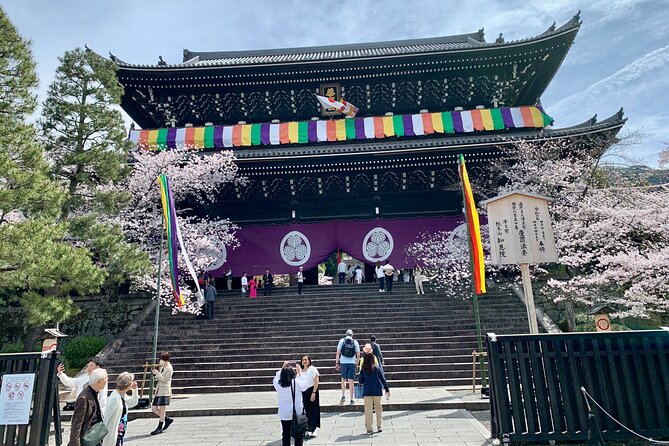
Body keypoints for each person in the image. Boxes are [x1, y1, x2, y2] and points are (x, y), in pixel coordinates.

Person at [68, 368, 107, 446]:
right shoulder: (84, 398)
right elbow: (76, 423)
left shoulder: (94, 393)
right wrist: (75, 443)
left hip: (94, 435)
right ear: (99, 382)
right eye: (105, 379)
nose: (106, 381)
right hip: (87, 437)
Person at [273, 361, 307, 446]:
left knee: (285, 434)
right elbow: (305, 384)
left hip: (284, 413)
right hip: (297, 412)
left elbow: (275, 378)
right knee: (298, 435)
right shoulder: (297, 382)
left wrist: (282, 368)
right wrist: (300, 373)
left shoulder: (279, 385)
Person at [102, 372, 138, 446]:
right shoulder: (115, 398)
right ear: (128, 385)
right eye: (132, 381)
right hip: (114, 432)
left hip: (120, 430)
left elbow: (133, 402)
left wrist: (134, 390)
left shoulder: (122, 395)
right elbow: (106, 416)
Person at [359, 352, 390, 435]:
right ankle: (379, 426)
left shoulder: (363, 369)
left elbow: (360, 380)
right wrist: (386, 388)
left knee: (368, 410)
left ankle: (369, 428)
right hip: (377, 391)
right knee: (378, 409)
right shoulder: (376, 368)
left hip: (367, 391)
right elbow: (382, 379)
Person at [150, 352, 174, 436]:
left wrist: (157, 373)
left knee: (162, 408)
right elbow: (159, 378)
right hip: (159, 390)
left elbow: (165, 380)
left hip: (164, 391)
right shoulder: (163, 367)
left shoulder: (169, 368)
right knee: (154, 408)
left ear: (165, 360)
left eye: (161, 359)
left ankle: (160, 427)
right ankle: (166, 419)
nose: (160, 361)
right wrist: (155, 373)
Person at [335, 329, 360, 405]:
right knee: (351, 381)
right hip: (352, 363)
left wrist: (337, 363)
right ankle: (351, 399)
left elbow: (338, 352)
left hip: (343, 362)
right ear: (352, 335)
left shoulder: (342, 341)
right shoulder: (355, 342)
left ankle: (343, 395)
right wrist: (357, 364)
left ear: (346, 334)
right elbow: (358, 354)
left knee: (343, 379)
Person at [300, 355, 320, 437]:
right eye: (303, 360)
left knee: (313, 410)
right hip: (303, 392)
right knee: (305, 411)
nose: (304, 361)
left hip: (312, 390)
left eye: (306, 360)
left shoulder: (312, 369)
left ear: (309, 361)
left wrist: (314, 392)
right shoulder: (300, 370)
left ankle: (313, 429)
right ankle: (306, 429)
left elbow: (316, 381)